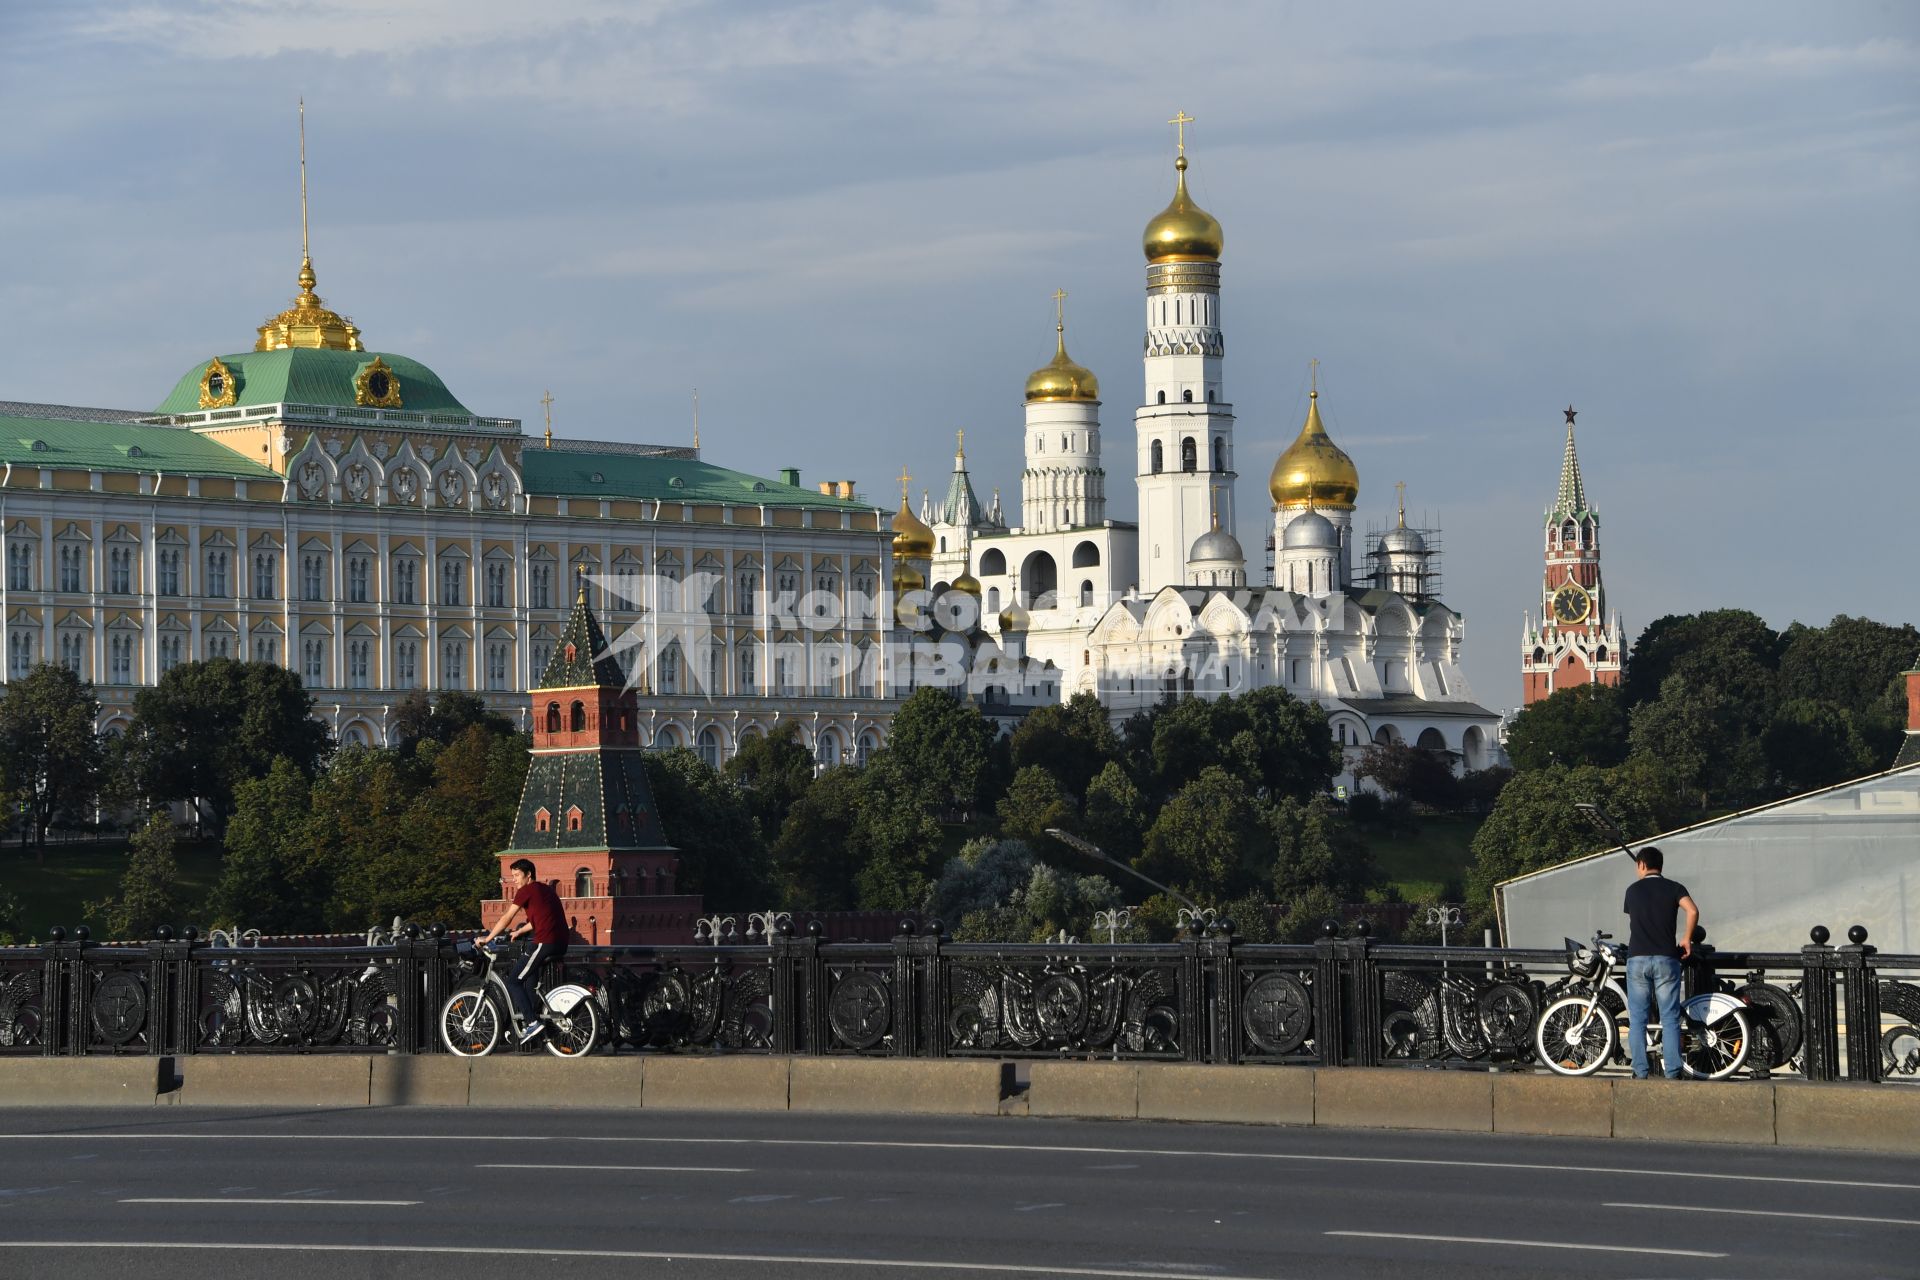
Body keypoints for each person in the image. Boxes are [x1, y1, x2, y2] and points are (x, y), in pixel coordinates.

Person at [1621, 845, 1699, 1080]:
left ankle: (1640, 1071)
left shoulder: (1632, 891)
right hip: (1667, 958)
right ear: (1660, 866)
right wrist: (1686, 938)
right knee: (1670, 1018)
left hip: (1638, 958)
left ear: (1642, 865)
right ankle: (1673, 1071)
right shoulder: (1674, 888)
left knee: (1637, 1019)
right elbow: (1692, 911)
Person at [476, 858, 568, 1043]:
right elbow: (538, 920)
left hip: (544, 943)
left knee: (513, 981)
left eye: (517, 875)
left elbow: (507, 917)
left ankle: (532, 1022)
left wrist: (487, 938)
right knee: (529, 982)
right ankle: (535, 1023)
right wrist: (519, 931)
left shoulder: (526, 890)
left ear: (528, 875)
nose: (514, 880)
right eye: (512, 876)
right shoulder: (544, 890)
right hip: (560, 942)